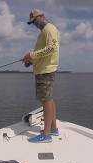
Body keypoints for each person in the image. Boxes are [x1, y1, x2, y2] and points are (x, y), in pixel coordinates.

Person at [23, 9, 60, 143]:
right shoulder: (43, 33)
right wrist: (30, 61)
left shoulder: (49, 28)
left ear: (42, 16)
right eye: (32, 22)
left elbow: (52, 48)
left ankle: (46, 134)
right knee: (48, 99)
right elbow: (43, 53)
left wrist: (31, 55)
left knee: (46, 100)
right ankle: (53, 129)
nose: (34, 23)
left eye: (35, 20)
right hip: (43, 70)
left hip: (46, 70)